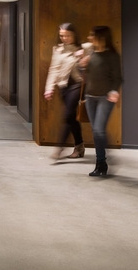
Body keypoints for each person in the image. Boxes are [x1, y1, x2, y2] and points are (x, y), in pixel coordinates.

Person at [79, 26, 122, 176]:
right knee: (96, 131)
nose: (90, 38)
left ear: (102, 38)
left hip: (105, 97)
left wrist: (114, 91)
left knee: (98, 130)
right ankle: (100, 164)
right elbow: (84, 75)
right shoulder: (91, 53)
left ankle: (102, 162)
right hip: (90, 97)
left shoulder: (112, 56)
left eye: (92, 35)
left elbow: (118, 78)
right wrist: (82, 65)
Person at [44, 23, 87, 160]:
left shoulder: (83, 48)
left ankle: (59, 148)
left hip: (77, 85)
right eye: (62, 36)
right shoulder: (57, 49)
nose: (64, 38)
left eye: (67, 35)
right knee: (72, 118)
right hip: (63, 87)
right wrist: (49, 88)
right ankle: (79, 147)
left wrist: (82, 57)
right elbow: (53, 69)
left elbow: (93, 60)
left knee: (67, 115)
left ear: (74, 35)